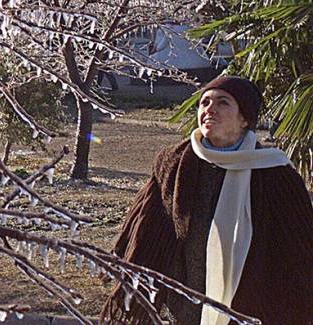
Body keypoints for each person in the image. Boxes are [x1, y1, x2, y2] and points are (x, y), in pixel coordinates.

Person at [101, 75, 313, 325]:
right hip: (188, 304)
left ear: (245, 119)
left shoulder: (274, 173)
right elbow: (149, 231)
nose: (209, 109)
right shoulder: (174, 164)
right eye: (204, 103)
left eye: (223, 103)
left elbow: (299, 249)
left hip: (252, 305)